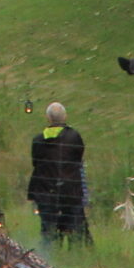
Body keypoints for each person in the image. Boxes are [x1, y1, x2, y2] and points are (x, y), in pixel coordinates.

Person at [27, 101, 91, 246]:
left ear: (48, 118)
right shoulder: (74, 137)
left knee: (48, 231)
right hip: (70, 192)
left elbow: (35, 163)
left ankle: (49, 254)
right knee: (75, 229)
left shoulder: (38, 140)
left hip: (45, 192)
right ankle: (75, 252)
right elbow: (78, 158)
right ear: (65, 117)